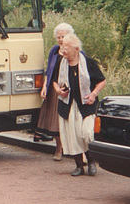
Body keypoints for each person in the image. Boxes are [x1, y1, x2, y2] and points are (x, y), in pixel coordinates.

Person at [53, 34, 106, 176]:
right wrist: (58, 90)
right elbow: (54, 80)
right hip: (68, 103)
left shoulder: (88, 62)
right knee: (73, 135)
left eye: (66, 48)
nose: (63, 50)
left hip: (86, 103)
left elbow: (102, 81)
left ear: (76, 49)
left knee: (86, 133)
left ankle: (91, 162)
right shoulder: (61, 62)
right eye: (62, 47)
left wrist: (94, 94)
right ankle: (78, 166)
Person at [34, 23, 75, 161]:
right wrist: (45, 86)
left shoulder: (75, 50)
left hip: (68, 89)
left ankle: (78, 152)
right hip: (53, 88)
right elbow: (49, 70)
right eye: (58, 37)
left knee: (69, 120)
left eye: (63, 36)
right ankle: (59, 148)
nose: (60, 40)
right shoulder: (54, 50)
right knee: (54, 120)